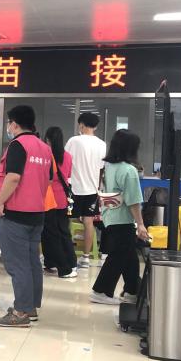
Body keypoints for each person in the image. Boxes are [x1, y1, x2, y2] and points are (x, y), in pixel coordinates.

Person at [0, 105, 52, 328]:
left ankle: (20, 313)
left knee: (18, 264)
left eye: (9, 123)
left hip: (15, 213)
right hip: (37, 213)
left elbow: (13, 177)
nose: (8, 127)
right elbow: (48, 179)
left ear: (14, 124)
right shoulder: (44, 148)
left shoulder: (18, 145)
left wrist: (0, 201)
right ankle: (30, 306)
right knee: (31, 261)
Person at [91, 130, 150, 305]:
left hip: (110, 217)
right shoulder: (129, 170)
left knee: (129, 256)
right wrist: (140, 224)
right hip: (123, 219)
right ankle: (100, 291)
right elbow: (133, 201)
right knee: (118, 256)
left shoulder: (109, 167)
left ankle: (132, 291)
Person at [65, 112, 107, 269]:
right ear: (95, 126)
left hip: (73, 188)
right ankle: (86, 258)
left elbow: (65, 161)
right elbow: (101, 168)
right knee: (89, 222)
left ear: (81, 125)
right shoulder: (102, 144)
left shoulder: (74, 141)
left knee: (66, 221)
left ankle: (66, 254)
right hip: (92, 189)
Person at [41, 126, 79, 279]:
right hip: (63, 198)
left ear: (48, 139)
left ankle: (53, 263)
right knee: (64, 232)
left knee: (49, 233)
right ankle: (71, 261)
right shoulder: (67, 156)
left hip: (49, 198)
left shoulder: (46, 155)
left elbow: (46, 177)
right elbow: (67, 175)